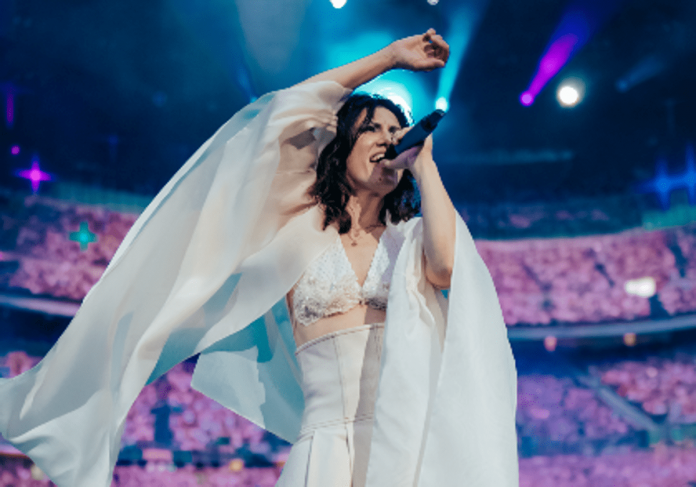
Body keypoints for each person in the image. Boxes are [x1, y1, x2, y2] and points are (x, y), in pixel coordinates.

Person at [0, 30, 519, 487]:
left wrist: (424, 165)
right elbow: (284, 113)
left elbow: (446, 269)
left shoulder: (409, 239)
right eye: (373, 129)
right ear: (341, 143)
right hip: (325, 454)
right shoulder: (296, 225)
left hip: (403, 452)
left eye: (396, 131)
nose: (390, 139)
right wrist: (389, 58)